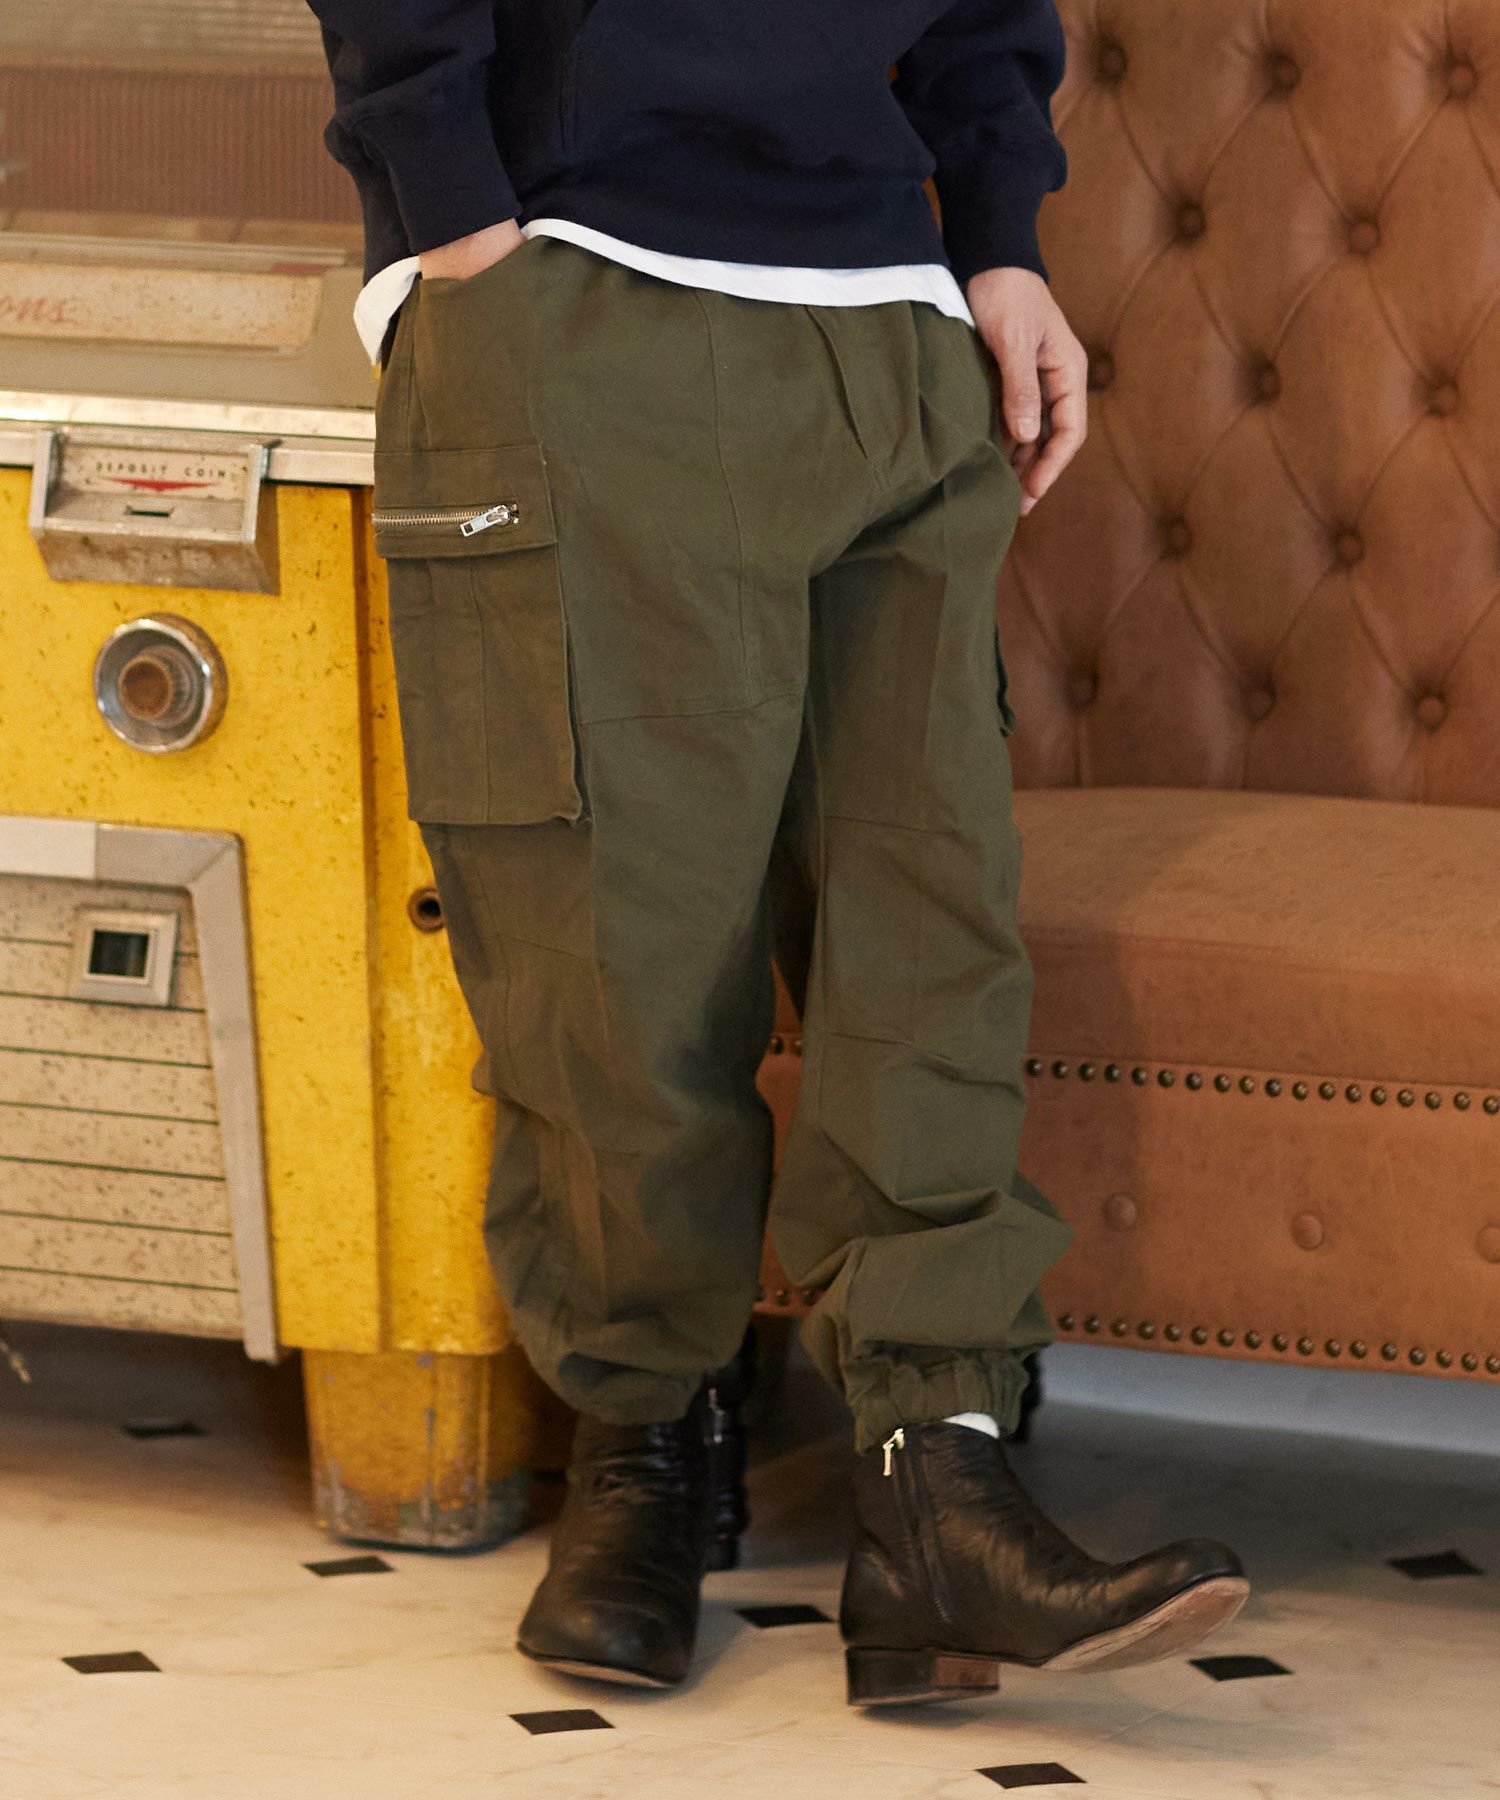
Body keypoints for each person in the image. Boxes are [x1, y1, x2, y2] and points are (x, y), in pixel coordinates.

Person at [309, 0, 1248, 1707]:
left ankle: (933, 1490)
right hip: (583, 280)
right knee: (617, 931)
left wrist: (999, 242)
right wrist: (457, 221)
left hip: (896, 319)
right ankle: (645, 1445)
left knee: (927, 925)